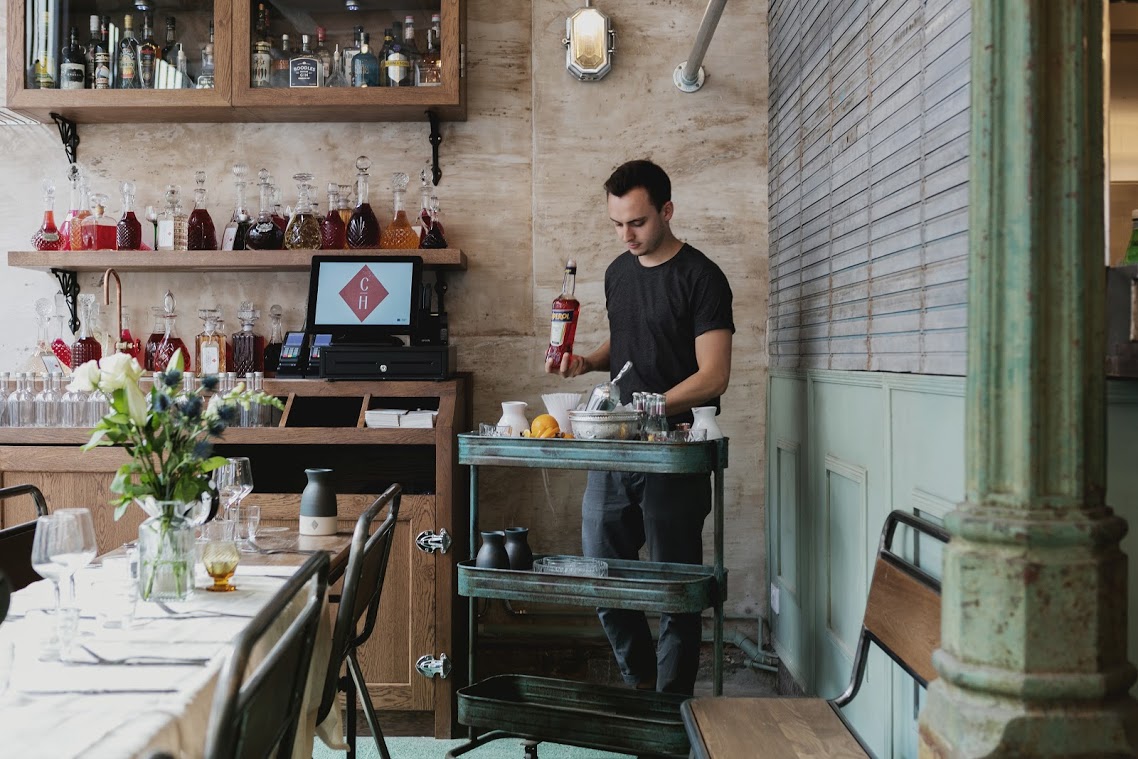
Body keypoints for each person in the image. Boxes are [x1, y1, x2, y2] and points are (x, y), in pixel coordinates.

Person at [546, 159, 734, 696]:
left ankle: (670, 711)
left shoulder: (702, 277)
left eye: (638, 223)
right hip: (616, 442)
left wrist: (653, 406)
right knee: (600, 572)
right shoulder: (616, 273)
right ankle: (642, 687)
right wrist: (586, 361)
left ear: (667, 212)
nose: (626, 236)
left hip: (677, 449)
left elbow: (714, 374)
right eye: (617, 224)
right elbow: (631, 346)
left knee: (674, 586)